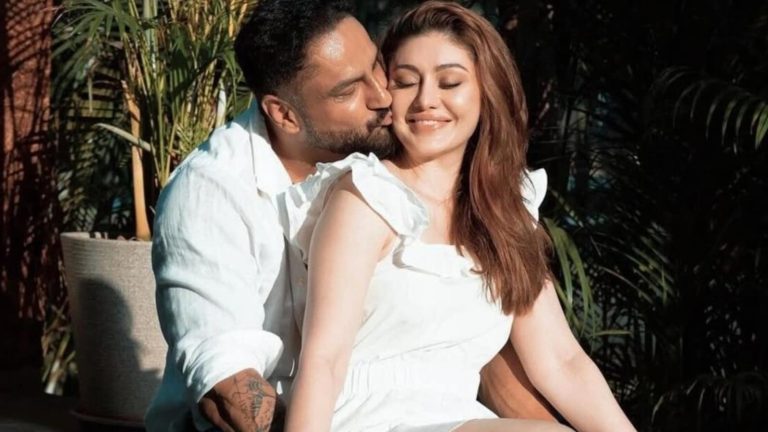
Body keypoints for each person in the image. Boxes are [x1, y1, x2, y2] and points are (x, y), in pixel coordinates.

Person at [145, 0, 551, 430]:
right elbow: (228, 390)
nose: (383, 97)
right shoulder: (214, 194)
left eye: (378, 67)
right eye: (348, 90)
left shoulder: (387, 162)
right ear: (285, 114)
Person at [282, 2, 637, 432]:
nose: (426, 100)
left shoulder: (505, 210)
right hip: (367, 417)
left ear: (487, 92)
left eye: (449, 82)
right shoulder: (367, 197)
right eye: (405, 82)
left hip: (458, 416)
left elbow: (561, 361)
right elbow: (324, 360)